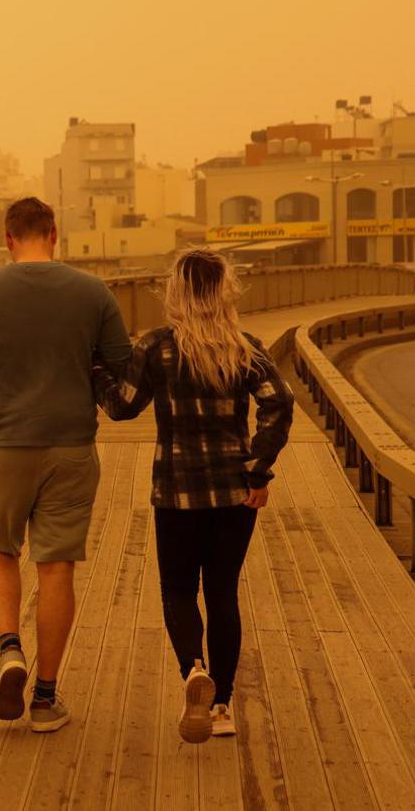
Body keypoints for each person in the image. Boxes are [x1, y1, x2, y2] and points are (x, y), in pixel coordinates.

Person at [0, 197, 132, 732]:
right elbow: (121, 364)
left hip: (4, 442)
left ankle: (10, 648)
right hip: (71, 444)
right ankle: (46, 699)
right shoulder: (93, 292)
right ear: (54, 233)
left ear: (8, 238)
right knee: (56, 566)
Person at [92, 249, 293, 743]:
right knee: (222, 591)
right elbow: (279, 402)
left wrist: (95, 367)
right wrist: (258, 469)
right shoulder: (245, 348)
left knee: (179, 590)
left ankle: (194, 669)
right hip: (234, 492)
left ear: (176, 292)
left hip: (176, 491)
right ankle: (221, 706)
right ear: (224, 292)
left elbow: (121, 407)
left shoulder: (156, 347)